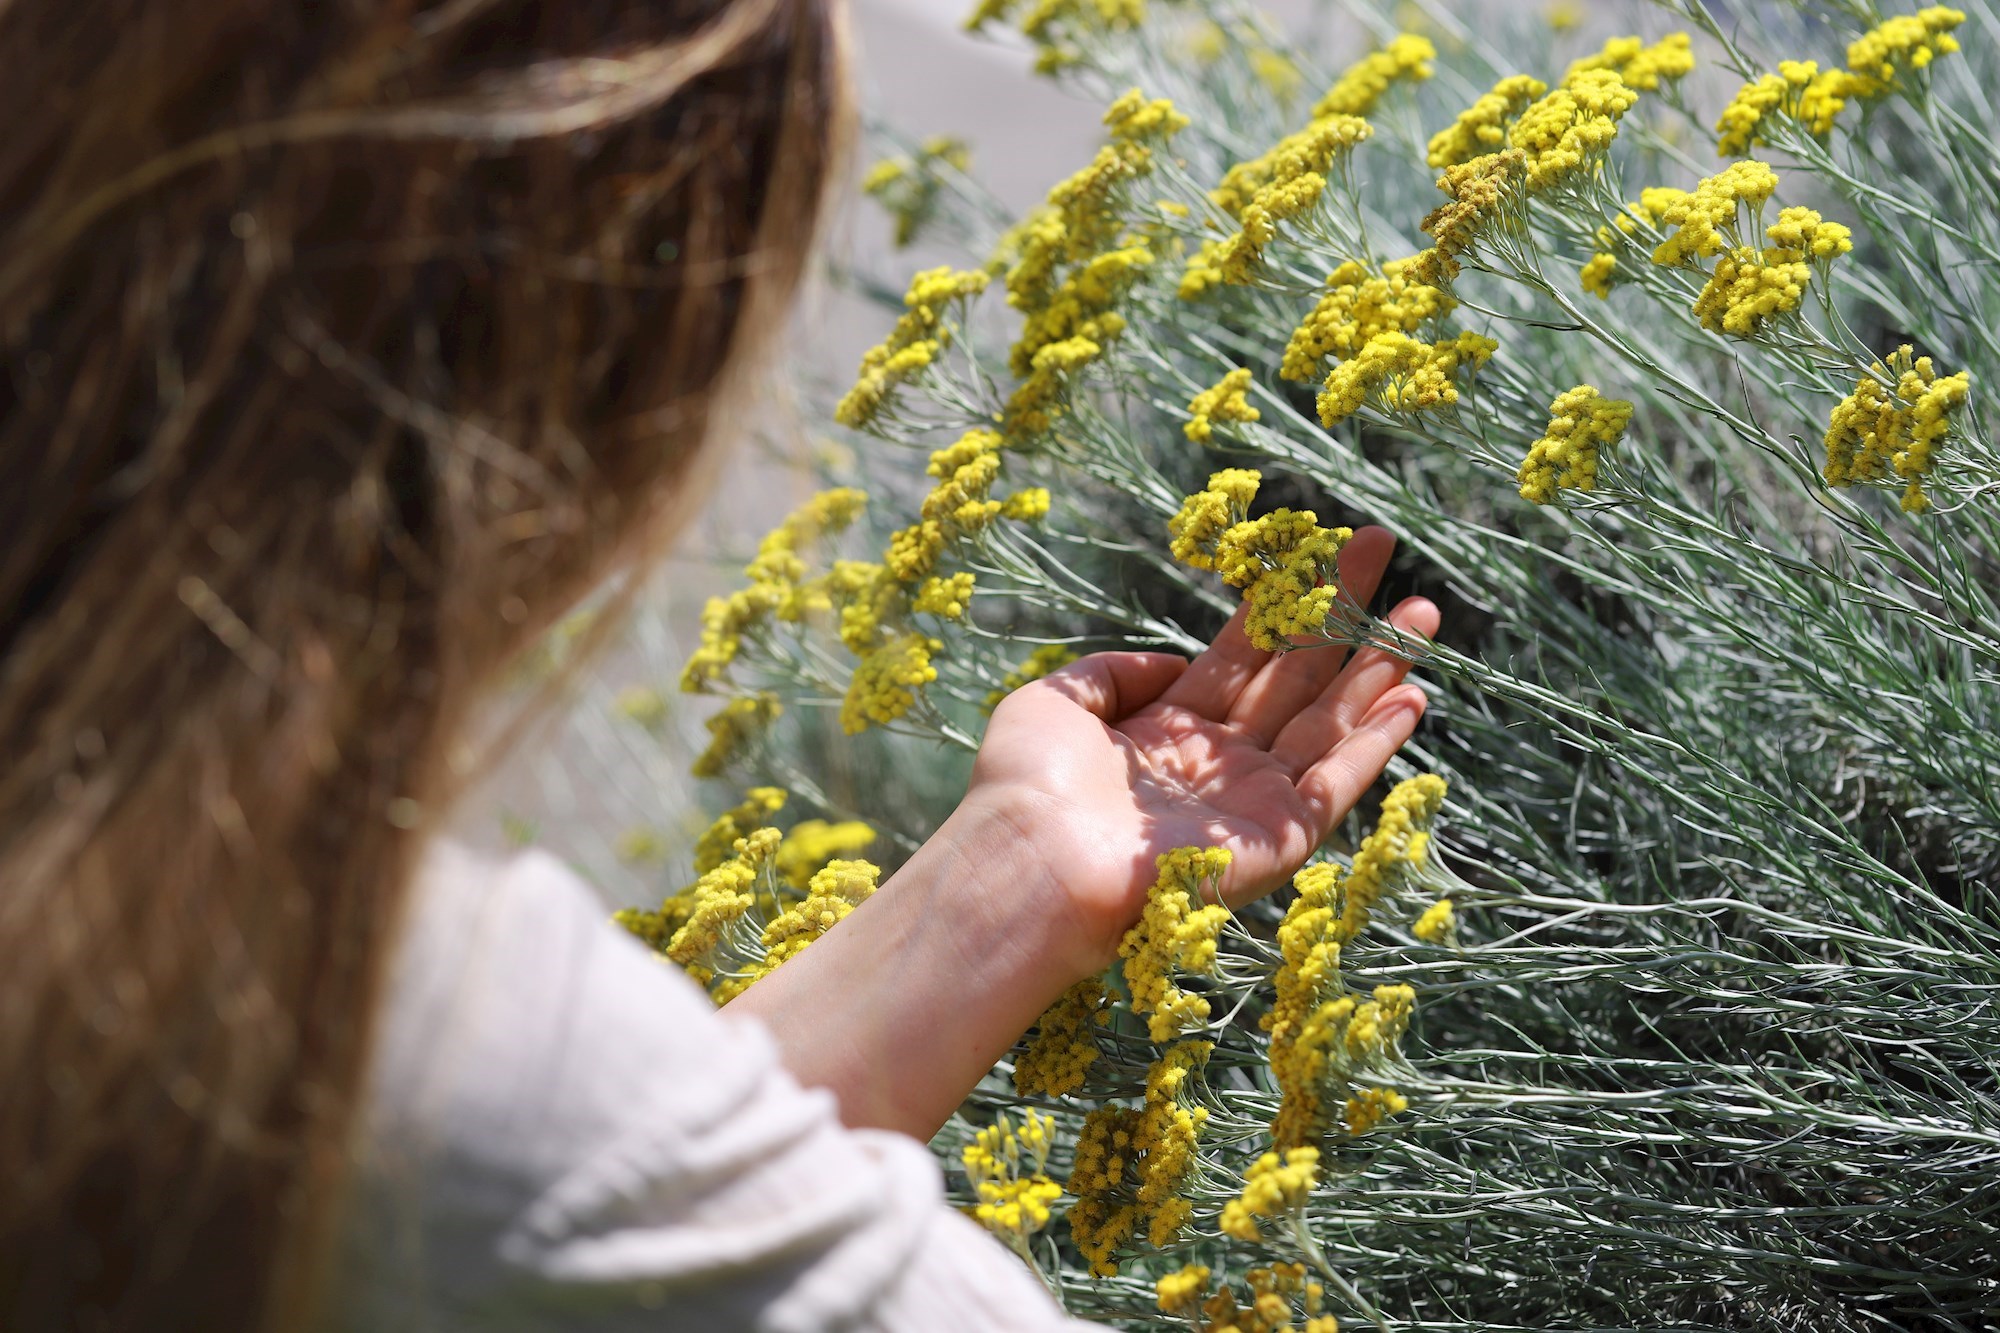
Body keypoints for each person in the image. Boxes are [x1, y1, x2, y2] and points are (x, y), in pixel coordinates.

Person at [0, 0, 1437, 1329]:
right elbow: (544, 1165)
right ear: (600, 360)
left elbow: (583, 1210)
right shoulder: (367, 1029)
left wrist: (1020, 871)